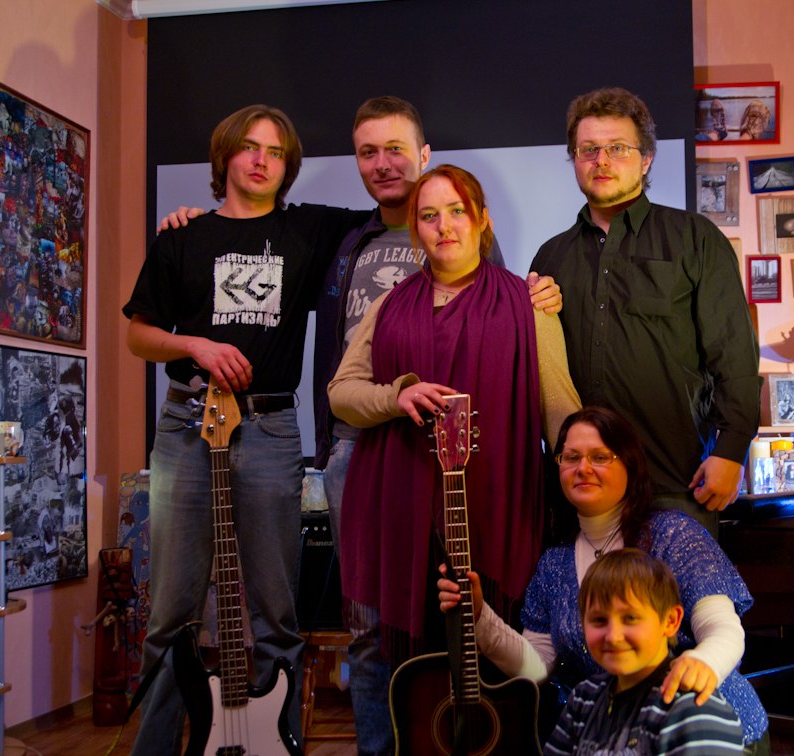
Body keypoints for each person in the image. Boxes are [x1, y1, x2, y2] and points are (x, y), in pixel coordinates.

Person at [122, 103, 370, 754]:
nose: (262, 160)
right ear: (225, 155)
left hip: (270, 427)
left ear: (288, 167)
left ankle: (274, 745)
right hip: (187, 422)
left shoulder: (311, 229)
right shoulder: (182, 237)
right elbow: (139, 335)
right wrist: (195, 346)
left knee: (275, 612)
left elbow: (394, 213)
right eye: (250, 147)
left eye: (276, 152)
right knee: (171, 611)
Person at [328, 164, 581, 755]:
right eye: (429, 215)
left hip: (495, 503)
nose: (444, 226)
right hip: (397, 504)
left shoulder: (528, 302)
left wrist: (594, 480)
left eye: (457, 211)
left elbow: (559, 410)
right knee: (390, 653)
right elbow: (342, 392)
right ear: (416, 229)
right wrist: (397, 396)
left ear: (482, 219)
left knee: (490, 641)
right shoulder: (389, 305)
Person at [438, 407, 769, 753]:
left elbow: (723, 629)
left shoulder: (674, 535)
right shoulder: (554, 563)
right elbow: (536, 668)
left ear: (630, 465)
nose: (583, 468)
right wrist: (479, 616)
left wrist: (702, 666)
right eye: (571, 457)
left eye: (600, 457)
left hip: (709, 728)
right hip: (616, 736)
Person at [530, 87, 761, 535]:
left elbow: (734, 357)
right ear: (574, 159)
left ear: (647, 159)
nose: (601, 161)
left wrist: (731, 451)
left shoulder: (696, 239)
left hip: (675, 485)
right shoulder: (550, 257)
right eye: (588, 150)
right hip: (580, 494)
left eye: (618, 148)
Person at [544, 549, 744, 755]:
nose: (613, 636)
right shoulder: (584, 697)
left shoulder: (693, 709)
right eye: (599, 620)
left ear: (670, 621)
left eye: (630, 618)